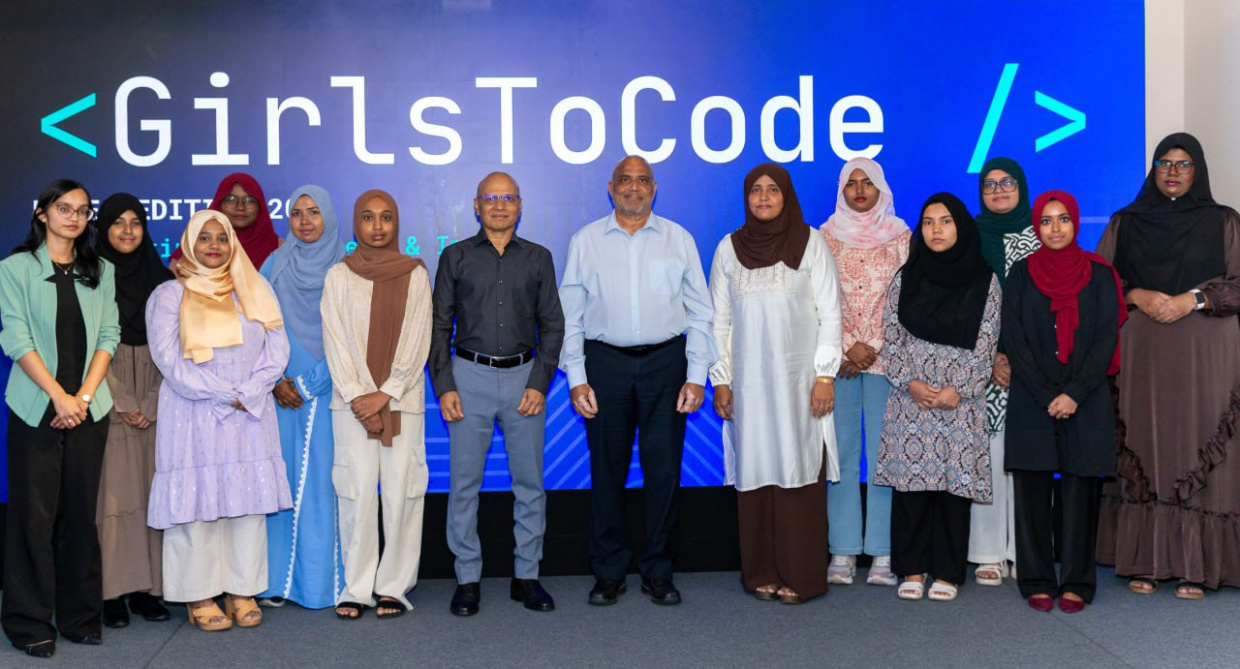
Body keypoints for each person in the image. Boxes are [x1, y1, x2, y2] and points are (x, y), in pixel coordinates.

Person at [560, 155, 714, 606]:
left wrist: (697, 375)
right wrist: (576, 377)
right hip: (604, 365)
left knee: (663, 472)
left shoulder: (678, 239)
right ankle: (608, 571)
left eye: (642, 180)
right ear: (611, 188)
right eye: (625, 180)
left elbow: (700, 313)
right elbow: (570, 317)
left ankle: (659, 571)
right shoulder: (586, 241)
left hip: (666, 365)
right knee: (605, 471)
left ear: (654, 188)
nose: (634, 187)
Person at [1096, 132, 1240, 599]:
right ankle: (1149, 560)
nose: (1173, 172)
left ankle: (1196, 567)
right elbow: (1098, 283)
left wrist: (1193, 299)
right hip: (1144, 356)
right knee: (1148, 443)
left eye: (1183, 163)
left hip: (1205, 356)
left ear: (1198, 169)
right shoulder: (1125, 222)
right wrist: (1135, 294)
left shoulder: (1223, 221)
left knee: (1197, 445)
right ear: (1152, 169)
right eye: (1164, 163)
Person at [145, 209, 291, 632]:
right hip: (194, 412)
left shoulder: (255, 287)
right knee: (197, 504)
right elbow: (169, 360)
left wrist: (251, 389)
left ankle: (242, 590)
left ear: (233, 244)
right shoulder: (169, 295)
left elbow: (277, 347)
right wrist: (225, 393)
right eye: (204, 237)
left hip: (249, 410)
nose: (214, 246)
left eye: (222, 238)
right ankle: (199, 594)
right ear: (189, 244)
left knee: (246, 504)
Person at [430, 172, 565, 616]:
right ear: (476, 205)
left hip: (525, 379)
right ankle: (467, 579)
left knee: (530, 484)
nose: (500, 205)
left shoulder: (539, 258)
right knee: (463, 485)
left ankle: (527, 576)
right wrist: (445, 385)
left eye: (508, 198)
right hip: (468, 379)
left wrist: (539, 382)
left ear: (520, 205)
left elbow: (553, 326)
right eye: (491, 197)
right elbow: (438, 326)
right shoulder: (455, 256)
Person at [709, 163, 841, 604]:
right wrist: (721, 380)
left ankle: (801, 575)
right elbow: (718, 321)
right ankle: (761, 572)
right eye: (755, 190)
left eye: (772, 190)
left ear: (787, 195)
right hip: (748, 384)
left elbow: (830, 314)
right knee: (756, 469)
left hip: (800, 383)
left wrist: (825, 375)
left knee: (798, 468)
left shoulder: (811, 242)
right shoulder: (728, 249)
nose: (763, 198)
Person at [0, 180, 120, 658]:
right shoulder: (15, 268)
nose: (74, 217)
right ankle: (28, 621)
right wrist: (58, 397)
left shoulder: (101, 269)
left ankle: (80, 617)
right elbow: (15, 338)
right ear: (42, 213)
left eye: (82, 210)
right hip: (36, 408)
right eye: (64, 208)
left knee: (80, 515)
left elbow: (109, 334)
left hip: (89, 408)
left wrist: (83, 397)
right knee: (33, 517)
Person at [1003, 190, 1125, 613]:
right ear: (1037, 227)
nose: (1055, 228)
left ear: (1075, 222)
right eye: (1046, 221)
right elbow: (1014, 338)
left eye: (1063, 219)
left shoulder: (1100, 273)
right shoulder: (1021, 273)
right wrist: (1045, 394)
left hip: (1085, 396)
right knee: (1031, 491)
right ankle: (1036, 578)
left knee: (1080, 493)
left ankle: (1076, 581)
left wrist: (1073, 393)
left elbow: (1106, 337)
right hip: (1032, 395)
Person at [874, 193, 1000, 603]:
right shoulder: (906, 277)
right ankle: (911, 568)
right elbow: (890, 338)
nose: (936, 230)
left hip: (959, 403)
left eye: (945, 221)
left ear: (960, 226)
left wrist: (957, 389)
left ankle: (947, 571)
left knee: (953, 491)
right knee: (911, 490)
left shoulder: (985, 280)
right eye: (928, 222)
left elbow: (987, 342)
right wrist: (909, 382)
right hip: (911, 400)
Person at [322, 190, 432, 620]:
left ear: (396, 223)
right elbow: (335, 340)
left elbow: (418, 338)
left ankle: (394, 587)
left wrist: (386, 392)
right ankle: (357, 587)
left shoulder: (415, 274)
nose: (378, 226)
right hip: (351, 406)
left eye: (386, 217)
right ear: (356, 224)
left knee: (404, 493)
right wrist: (359, 396)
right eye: (368, 218)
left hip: (402, 402)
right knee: (356, 494)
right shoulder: (339, 276)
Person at [820, 157, 911, 587]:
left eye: (868, 182)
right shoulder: (823, 238)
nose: (859, 190)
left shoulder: (901, 238)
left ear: (881, 189)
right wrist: (846, 347)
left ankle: (882, 551)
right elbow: (818, 300)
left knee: (883, 458)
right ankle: (841, 549)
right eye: (851, 183)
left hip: (885, 363)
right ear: (841, 190)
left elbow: (908, 300)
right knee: (839, 457)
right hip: (838, 365)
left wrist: (872, 346)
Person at [257, 185, 348, 609]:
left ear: (328, 216)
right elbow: (255, 328)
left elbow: (354, 337)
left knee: (321, 487)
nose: (305, 221)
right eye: (297, 213)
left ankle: (320, 585)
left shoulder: (346, 268)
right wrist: (275, 380)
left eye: (314, 212)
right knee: (279, 485)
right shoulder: (274, 265)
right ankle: (275, 582)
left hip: (330, 393)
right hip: (278, 394)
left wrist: (311, 383)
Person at [94, 193, 174, 629]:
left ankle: (147, 589)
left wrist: (151, 401)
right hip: (107, 388)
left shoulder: (163, 280)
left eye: (136, 222)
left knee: (152, 495)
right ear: (103, 228)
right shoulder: (90, 277)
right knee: (114, 496)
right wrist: (124, 401)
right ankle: (110, 592)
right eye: (117, 222)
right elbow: (86, 344)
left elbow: (177, 346)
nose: (127, 230)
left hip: (158, 393)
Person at [969, 156, 1036, 586]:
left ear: (1022, 186)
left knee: (1029, 459)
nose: (998, 190)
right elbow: (965, 302)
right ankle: (988, 552)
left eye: (1007, 182)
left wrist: (1018, 355)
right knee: (988, 458)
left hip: (1032, 367)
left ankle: (1024, 551)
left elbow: (1046, 305)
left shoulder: (1041, 234)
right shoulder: (970, 236)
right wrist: (993, 355)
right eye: (990, 184)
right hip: (983, 366)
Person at [170, 172, 281, 272]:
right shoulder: (192, 247)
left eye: (249, 200)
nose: (240, 207)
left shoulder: (281, 249)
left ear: (260, 206)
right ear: (219, 204)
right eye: (231, 199)